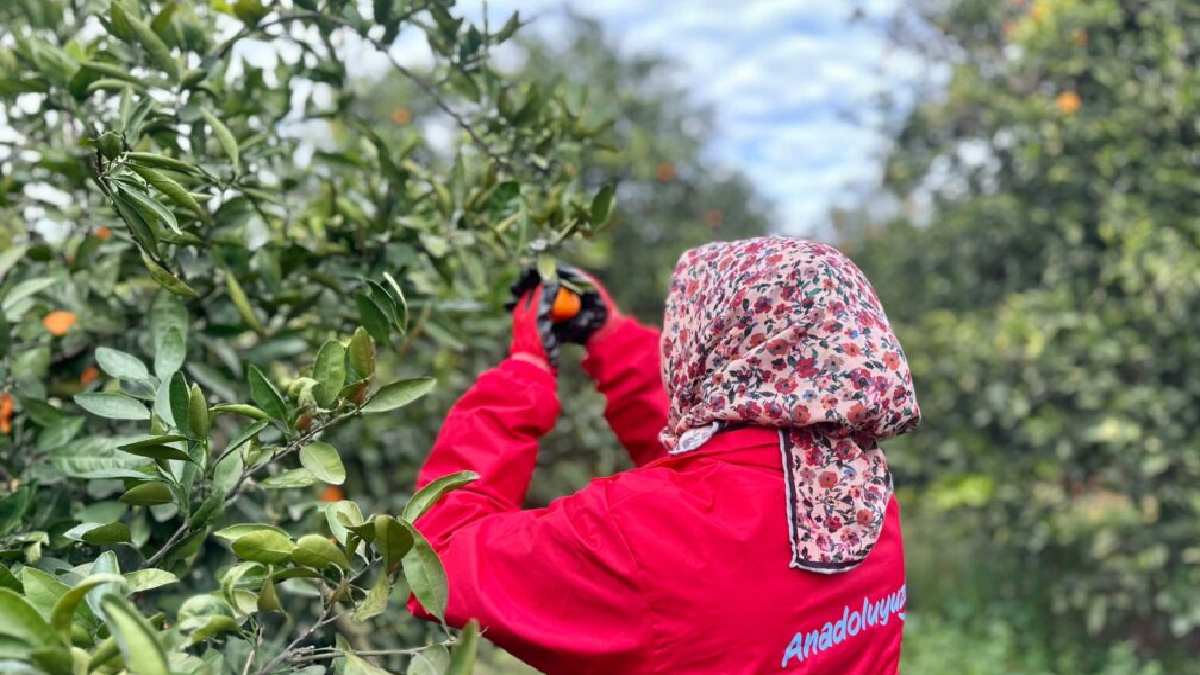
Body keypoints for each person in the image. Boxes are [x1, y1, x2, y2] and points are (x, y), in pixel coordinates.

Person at [407, 235, 921, 674]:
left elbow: (434, 565)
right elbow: (721, 473)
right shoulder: (861, 493)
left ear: (711, 344)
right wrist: (611, 340)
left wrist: (522, 374)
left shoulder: (635, 533)